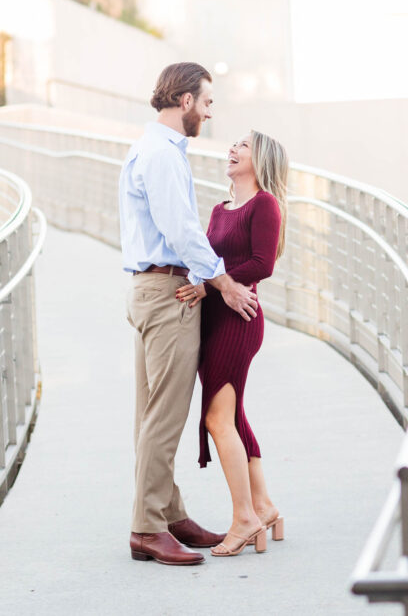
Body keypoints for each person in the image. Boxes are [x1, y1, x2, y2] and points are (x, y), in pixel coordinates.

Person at [119, 62, 259, 566]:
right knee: (165, 414)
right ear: (184, 101)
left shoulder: (149, 147)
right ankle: (147, 529)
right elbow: (180, 229)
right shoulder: (162, 153)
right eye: (206, 101)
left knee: (150, 413)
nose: (208, 111)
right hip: (168, 292)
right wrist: (221, 282)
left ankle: (168, 513)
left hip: (150, 289)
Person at [175, 130, 289, 557]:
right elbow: (206, 258)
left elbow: (263, 262)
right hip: (214, 319)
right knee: (233, 416)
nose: (233, 149)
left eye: (242, 146)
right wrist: (205, 285)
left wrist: (209, 287)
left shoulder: (265, 204)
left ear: (260, 159)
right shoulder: (221, 210)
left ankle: (244, 519)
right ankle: (263, 506)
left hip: (239, 319)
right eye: (233, 145)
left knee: (217, 419)